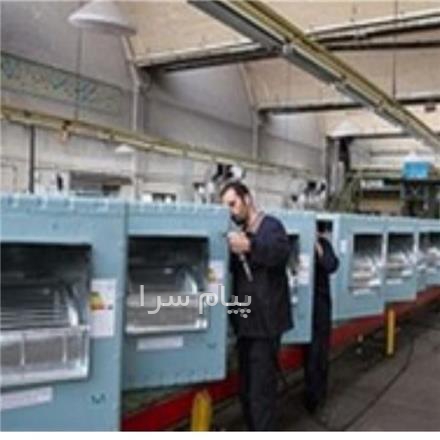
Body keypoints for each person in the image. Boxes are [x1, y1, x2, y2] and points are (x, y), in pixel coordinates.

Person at [220, 181, 292, 431]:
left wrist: (250, 246)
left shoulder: (271, 227)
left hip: (266, 325)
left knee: (261, 390)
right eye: (226, 207)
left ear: (247, 199)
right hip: (245, 325)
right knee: (247, 388)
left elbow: (281, 253)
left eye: (233, 204)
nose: (231, 211)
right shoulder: (238, 232)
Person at [303, 221, 339, 414]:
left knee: (319, 354)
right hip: (304, 306)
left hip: (320, 307)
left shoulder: (324, 246)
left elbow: (331, 265)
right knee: (308, 354)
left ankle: (317, 396)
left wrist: (317, 246)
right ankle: (310, 393)